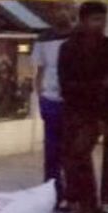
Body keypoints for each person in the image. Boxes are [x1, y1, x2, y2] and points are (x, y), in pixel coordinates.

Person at [58, 1, 108, 213]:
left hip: (96, 111)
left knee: (78, 153)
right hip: (73, 108)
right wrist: (96, 85)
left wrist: (107, 116)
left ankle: (77, 199)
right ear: (84, 20)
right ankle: (87, 202)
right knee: (75, 155)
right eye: (96, 19)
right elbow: (66, 83)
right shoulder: (68, 48)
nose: (101, 24)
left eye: (103, 20)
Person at [32, 27, 70, 198]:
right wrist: (41, 97)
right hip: (50, 99)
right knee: (52, 151)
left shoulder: (76, 38)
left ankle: (74, 195)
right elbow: (39, 72)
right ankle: (53, 192)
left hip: (71, 101)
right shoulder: (44, 39)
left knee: (71, 151)